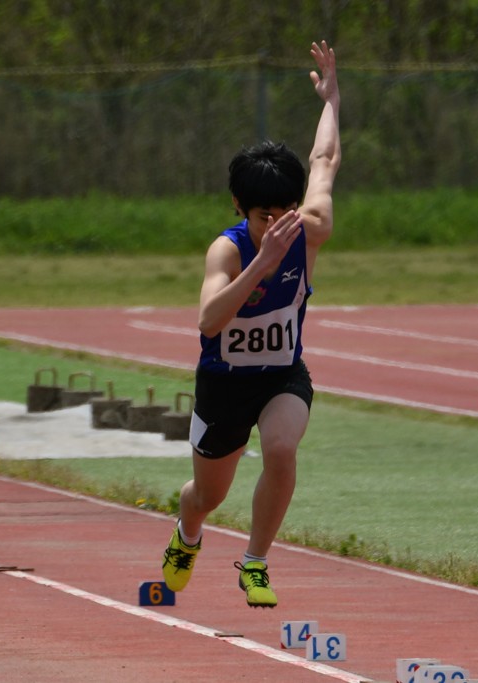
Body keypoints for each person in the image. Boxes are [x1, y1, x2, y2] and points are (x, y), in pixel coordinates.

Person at [161, 40, 340, 608]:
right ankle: (188, 534)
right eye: (266, 215)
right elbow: (210, 320)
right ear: (241, 207)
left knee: (282, 448)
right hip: (224, 384)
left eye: (286, 210)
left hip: (281, 375)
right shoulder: (227, 251)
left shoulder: (308, 229)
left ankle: (256, 561)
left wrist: (332, 98)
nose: (279, 224)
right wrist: (261, 264)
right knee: (206, 495)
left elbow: (324, 163)